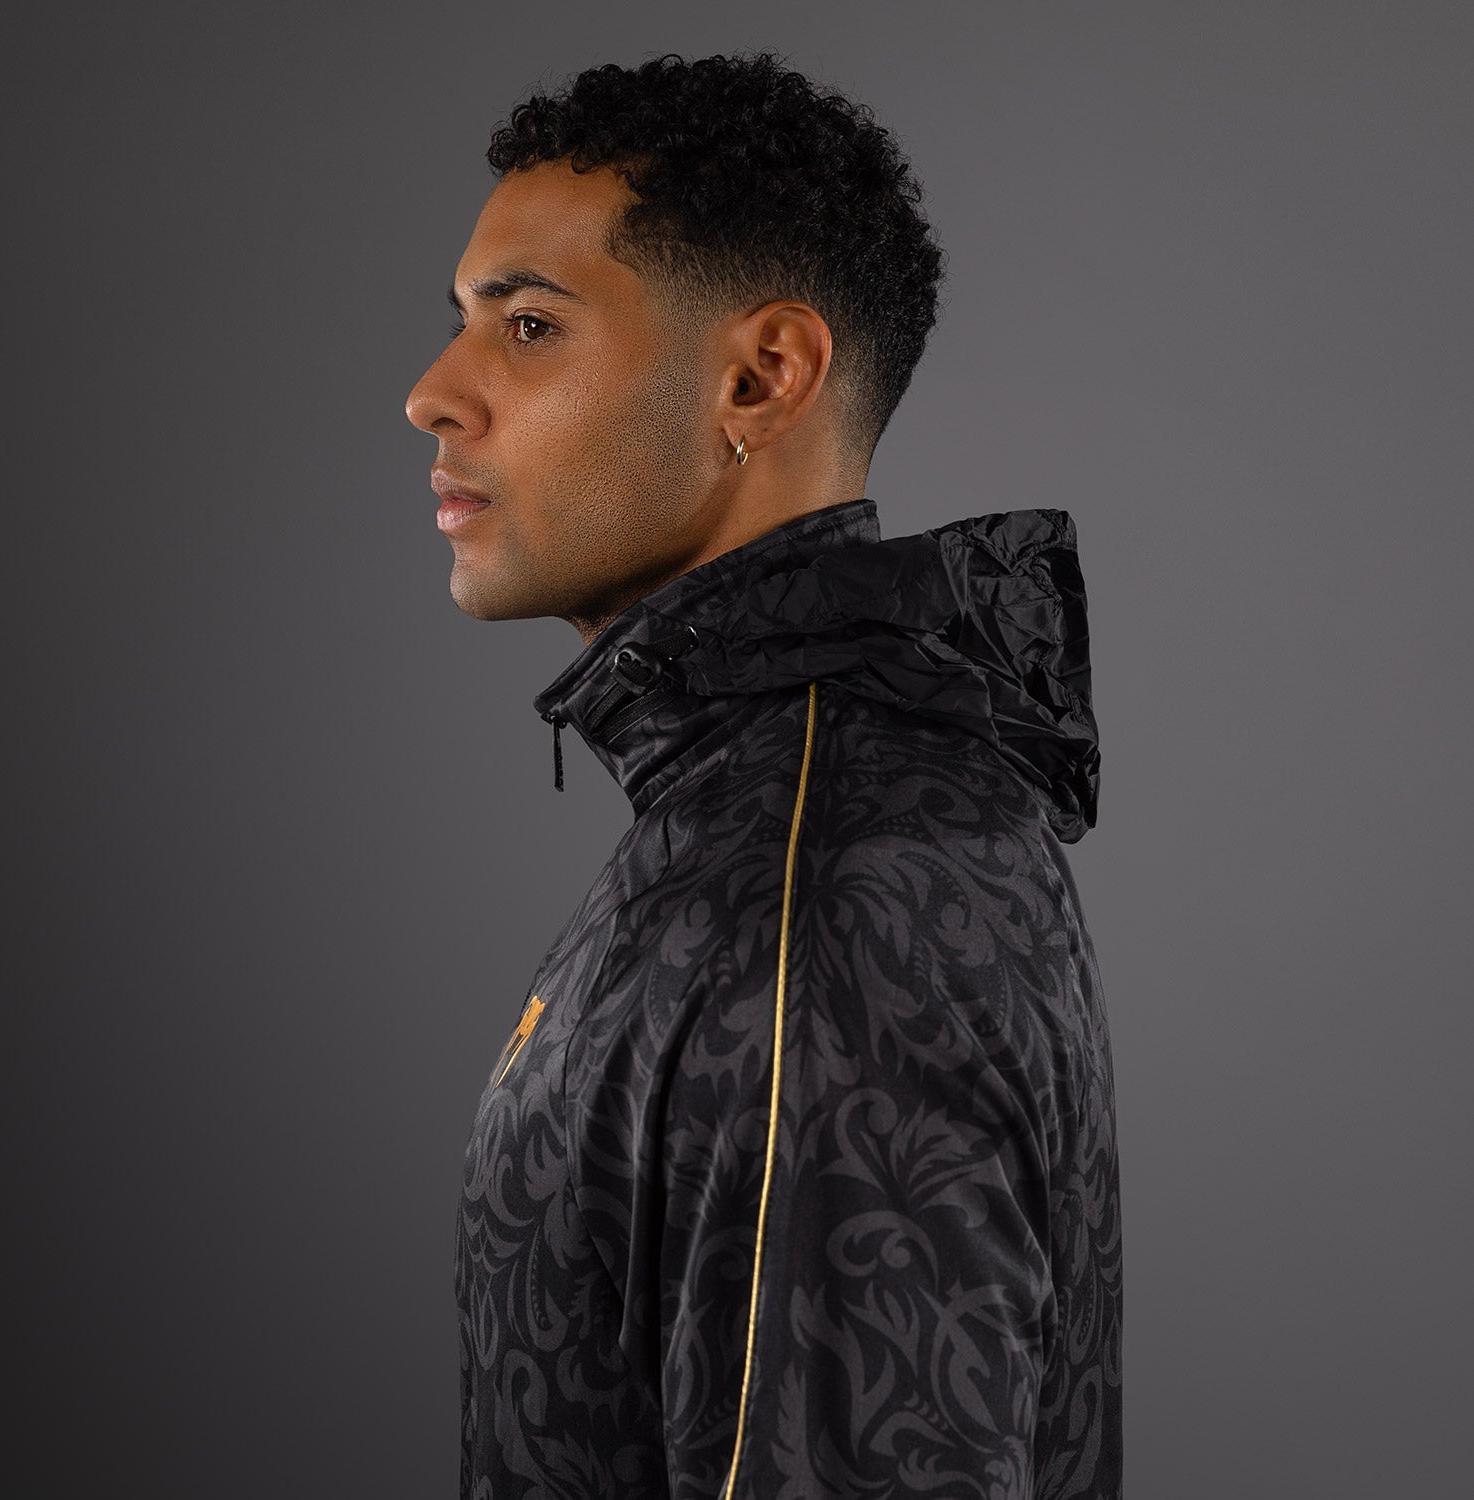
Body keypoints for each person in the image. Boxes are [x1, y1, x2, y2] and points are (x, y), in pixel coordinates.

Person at [404, 50, 1121, 1500]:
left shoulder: (829, 898)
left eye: (528, 325)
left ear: (759, 377)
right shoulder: (757, 815)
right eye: (462, 323)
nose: (433, 395)